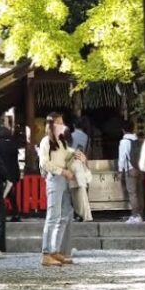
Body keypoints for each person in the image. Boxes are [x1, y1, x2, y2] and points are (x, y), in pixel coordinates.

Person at [39, 112, 85, 267]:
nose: (62, 125)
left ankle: (55, 250)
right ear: (51, 125)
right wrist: (62, 171)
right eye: (58, 122)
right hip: (55, 179)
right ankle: (46, 253)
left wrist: (77, 155)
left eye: (62, 121)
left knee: (65, 214)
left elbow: (68, 153)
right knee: (53, 216)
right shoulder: (46, 141)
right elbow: (45, 163)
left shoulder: (62, 141)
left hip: (65, 180)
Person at [0, 126, 22, 221]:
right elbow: (15, 162)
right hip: (11, 173)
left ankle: (0, 214)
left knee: (0, 195)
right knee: (11, 195)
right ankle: (16, 214)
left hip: (0, 173)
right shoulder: (13, 145)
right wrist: (17, 175)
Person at [117, 124, 142, 223]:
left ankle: (135, 215)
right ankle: (141, 213)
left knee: (132, 193)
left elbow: (122, 157)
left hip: (130, 169)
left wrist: (120, 170)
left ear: (123, 130)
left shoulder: (124, 142)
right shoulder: (137, 140)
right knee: (139, 192)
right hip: (139, 168)